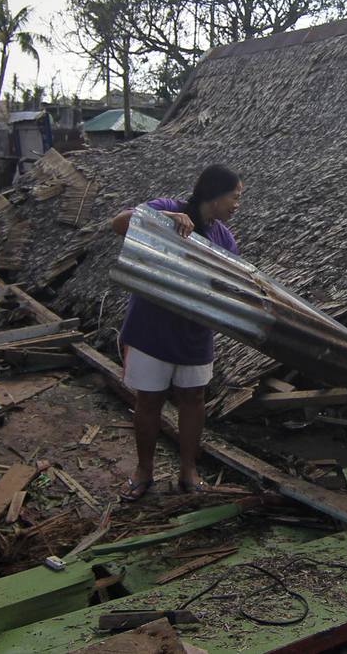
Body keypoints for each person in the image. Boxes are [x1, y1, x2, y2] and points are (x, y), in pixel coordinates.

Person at [110, 165, 244, 500]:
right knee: (149, 400)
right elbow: (119, 223)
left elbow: (230, 283)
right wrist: (165, 219)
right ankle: (144, 471)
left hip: (194, 333)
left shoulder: (223, 238)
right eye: (235, 197)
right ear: (215, 193)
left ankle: (188, 469)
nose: (237, 205)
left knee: (193, 399)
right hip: (151, 329)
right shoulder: (168, 207)